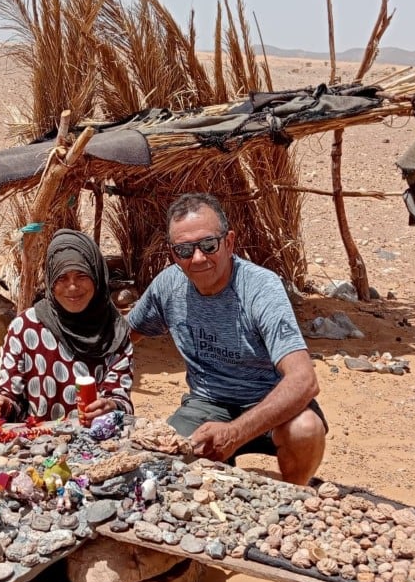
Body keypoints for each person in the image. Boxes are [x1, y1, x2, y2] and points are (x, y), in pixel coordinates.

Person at [127, 192, 327, 484]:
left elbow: (304, 380)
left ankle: (293, 498)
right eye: (184, 250)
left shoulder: (260, 288)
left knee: (306, 429)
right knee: (164, 462)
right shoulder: (169, 286)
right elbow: (122, 337)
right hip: (207, 403)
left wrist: (234, 434)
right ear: (173, 253)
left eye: (209, 245)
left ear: (229, 242)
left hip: (268, 404)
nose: (197, 258)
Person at [0, 228, 134, 423]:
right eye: (62, 277)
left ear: (96, 276)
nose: (72, 287)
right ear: (51, 281)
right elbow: (12, 399)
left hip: (98, 443)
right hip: (38, 444)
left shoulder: (115, 332)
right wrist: (1, 406)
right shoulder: (25, 328)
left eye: (81, 275)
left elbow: (122, 401)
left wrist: (111, 407)